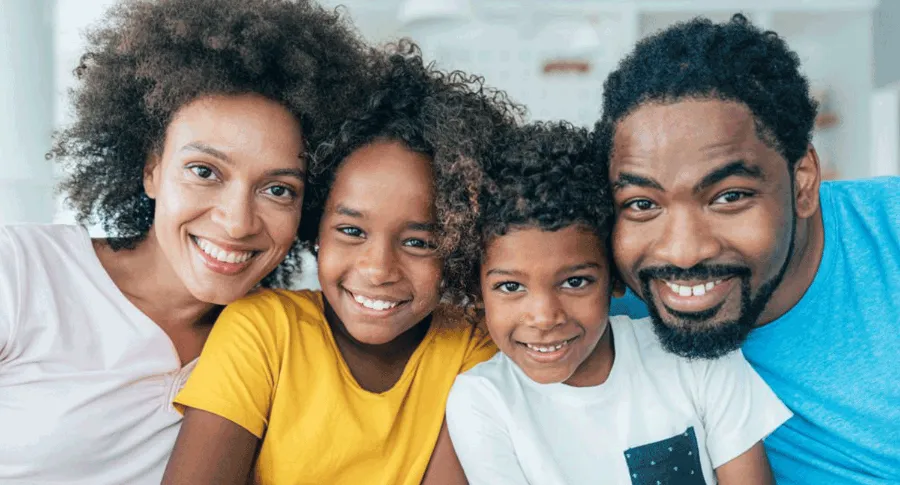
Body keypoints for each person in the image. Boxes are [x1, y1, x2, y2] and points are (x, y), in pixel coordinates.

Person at [0, 1, 374, 483]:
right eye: (204, 171)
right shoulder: (19, 273)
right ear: (151, 169)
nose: (237, 223)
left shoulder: (278, 342)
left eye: (278, 190)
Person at [161, 43, 520, 485]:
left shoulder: (475, 347)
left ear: (460, 244)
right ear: (315, 228)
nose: (378, 269)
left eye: (418, 242)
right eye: (351, 231)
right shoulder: (263, 330)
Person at [597, 14, 900, 484]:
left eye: (729, 196)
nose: (683, 253)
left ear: (803, 182)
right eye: (642, 203)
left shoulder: (889, 234)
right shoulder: (588, 308)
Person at [444, 121, 790, 485]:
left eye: (575, 282)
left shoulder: (693, 355)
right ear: (477, 290)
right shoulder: (484, 401)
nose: (544, 317)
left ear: (616, 277)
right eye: (511, 286)